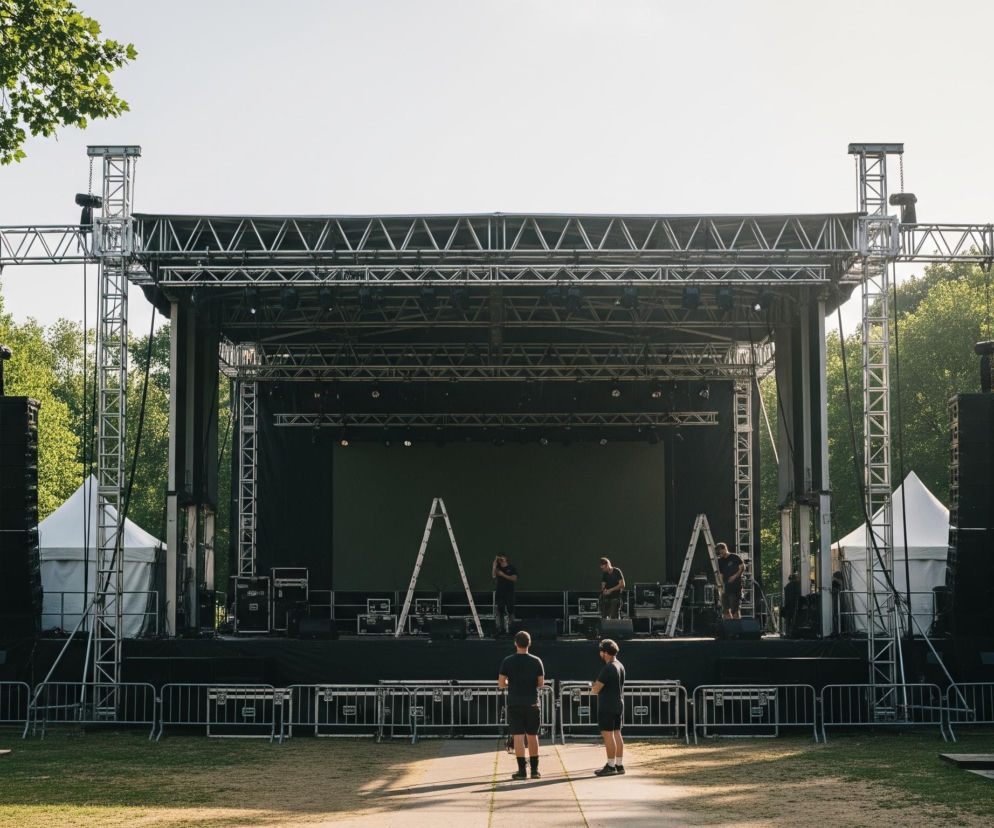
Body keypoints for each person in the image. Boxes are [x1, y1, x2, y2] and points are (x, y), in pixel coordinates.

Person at [498, 630, 545, 780]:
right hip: (532, 702)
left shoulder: (508, 661)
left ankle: (521, 771)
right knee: (533, 736)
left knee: (518, 737)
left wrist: (510, 684)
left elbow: (501, 683)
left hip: (515, 702)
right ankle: (535, 770)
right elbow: (540, 683)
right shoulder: (537, 661)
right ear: (529, 643)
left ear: (515, 643)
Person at [591, 638, 626, 776]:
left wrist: (593, 687)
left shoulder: (608, 668)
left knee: (608, 734)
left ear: (605, 653)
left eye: (601, 651)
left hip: (607, 705)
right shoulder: (620, 665)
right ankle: (619, 764)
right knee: (617, 733)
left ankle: (610, 766)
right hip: (618, 703)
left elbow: (596, 689)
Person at [716, 542, 745, 620]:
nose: (720, 554)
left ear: (725, 549)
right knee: (725, 610)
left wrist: (734, 577)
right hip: (725, 588)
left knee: (735, 610)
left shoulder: (734, 557)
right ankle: (729, 629)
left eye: (721, 552)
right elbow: (720, 574)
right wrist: (722, 585)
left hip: (735, 587)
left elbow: (742, 567)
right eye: (719, 553)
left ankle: (737, 629)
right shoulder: (720, 561)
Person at [492, 554, 518, 636]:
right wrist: (494, 564)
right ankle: (501, 629)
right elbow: (493, 575)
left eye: (502, 557)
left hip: (509, 592)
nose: (500, 558)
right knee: (500, 611)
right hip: (500, 593)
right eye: (499, 557)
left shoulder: (511, 567)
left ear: (506, 558)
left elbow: (514, 578)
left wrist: (503, 575)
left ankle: (512, 629)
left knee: (511, 611)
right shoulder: (498, 568)